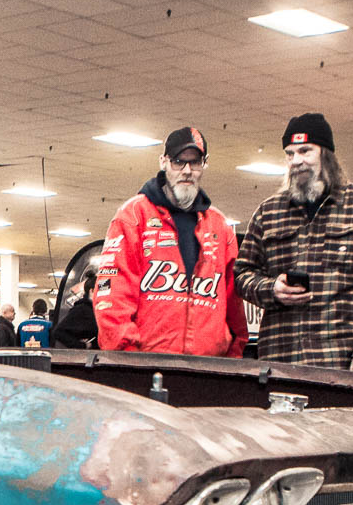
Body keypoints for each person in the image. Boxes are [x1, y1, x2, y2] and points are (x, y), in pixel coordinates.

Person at [234, 113, 353, 371]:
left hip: (341, 363)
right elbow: (242, 274)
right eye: (290, 154)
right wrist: (272, 289)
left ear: (326, 154)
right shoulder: (268, 212)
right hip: (279, 362)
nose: (296, 161)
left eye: (305, 151)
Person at [93, 125, 247, 357]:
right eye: (178, 162)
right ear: (163, 162)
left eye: (194, 162)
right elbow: (112, 296)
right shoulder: (134, 216)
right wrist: (128, 359)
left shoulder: (219, 226)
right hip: (145, 365)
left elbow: (234, 304)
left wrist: (233, 358)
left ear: (204, 164)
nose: (187, 171)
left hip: (208, 367)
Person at [53, 270, 99, 349]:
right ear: (92, 291)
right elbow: (58, 332)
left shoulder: (98, 310)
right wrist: (81, 345)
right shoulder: (81, 310)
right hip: (86, 355)